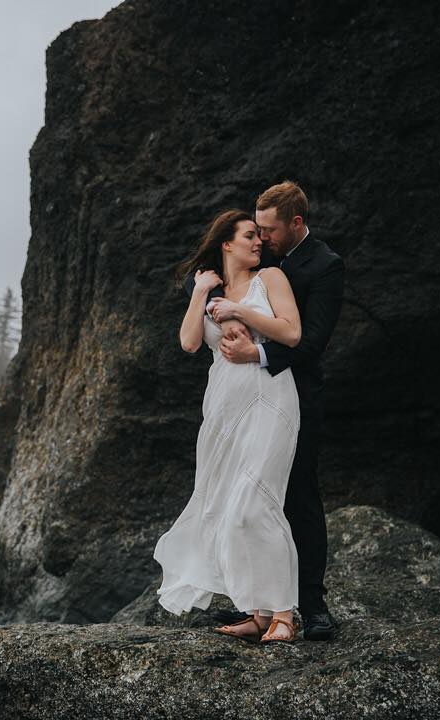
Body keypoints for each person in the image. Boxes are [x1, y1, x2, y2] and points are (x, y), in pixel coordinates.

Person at [153, 209, 304, 643]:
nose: (259, 242)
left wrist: (240, 311)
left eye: (260, 235)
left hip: (269, 394)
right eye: (249, 236)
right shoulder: (209, 286)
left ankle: (284, 615)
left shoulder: (271, 279)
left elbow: (291, 334)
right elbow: (189, 342)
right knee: (228, 509)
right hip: (222, 403)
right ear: (226, 243)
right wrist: (201, 292)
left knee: (256, 503)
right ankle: (258, 613)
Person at [204, 181, 344, 641]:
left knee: (298, 495)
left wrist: (257, 357)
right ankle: (258, 605)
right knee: (245, 494)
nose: (261, 238)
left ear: (296, 223)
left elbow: (312, 340)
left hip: (295, 392)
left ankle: (311, 607)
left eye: (269, 230)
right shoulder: (253, 259)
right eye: (256, 230)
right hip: (242, 395)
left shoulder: (324, 266)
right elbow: (213, 276)